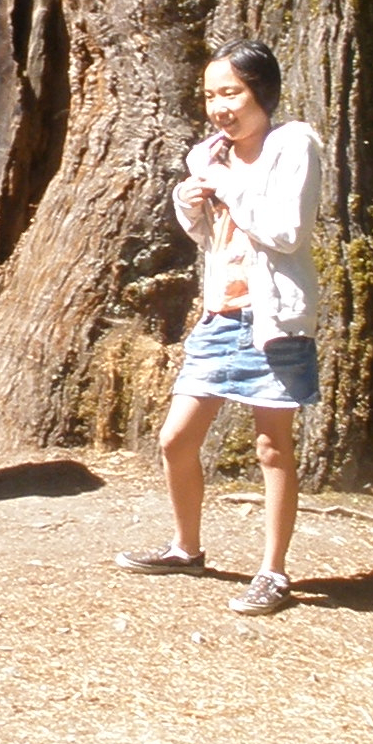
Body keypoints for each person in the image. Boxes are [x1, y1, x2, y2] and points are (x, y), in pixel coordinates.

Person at [115, 42, 326, 615]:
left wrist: (226, 185)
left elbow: (285, 232)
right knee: (175, 439)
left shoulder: (292, 145)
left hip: (273, 318)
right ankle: (186, 548)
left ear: (262, 91)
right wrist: (190, 203)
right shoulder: (211, 156)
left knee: (271, 446)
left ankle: (273, 573)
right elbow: (217, 241)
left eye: (230, 92)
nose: (219, 107)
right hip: (219, 316)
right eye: (210, 95)